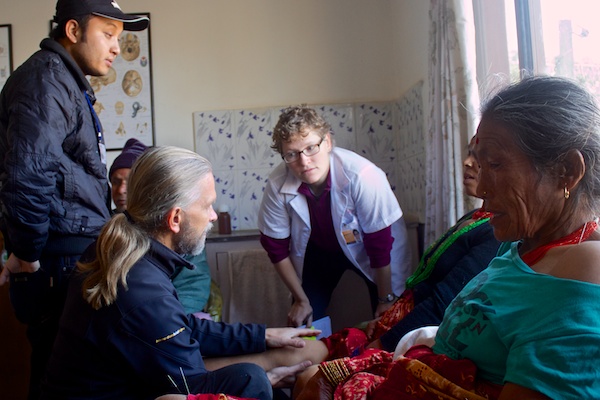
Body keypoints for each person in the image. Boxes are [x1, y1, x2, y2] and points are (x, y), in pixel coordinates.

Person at [295, 76, 600, 399]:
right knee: (309, 379)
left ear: (566, 170)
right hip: (421, 367)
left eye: (495, 164)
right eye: (481, 166)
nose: (481, 189)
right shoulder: (521, 245)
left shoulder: (584, 269)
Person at [41, 146, 318, 400]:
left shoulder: (119, 249)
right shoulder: (142, 290)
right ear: (175, 219)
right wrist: (264, 379)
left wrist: (263, 336)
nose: (212, 216)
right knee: (252, 378)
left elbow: (181, 326)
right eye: (207, 205)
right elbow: (191, 386)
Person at [0, 1, 148, 398]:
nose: (117, 46)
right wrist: (27, 254)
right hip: (55, 262)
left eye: (119, 37)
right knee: (59, 380)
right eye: (108, 34)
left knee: (68, 377)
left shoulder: (62, 82)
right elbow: (27, 175)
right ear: (72, 30)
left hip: (68, 256)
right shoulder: (46, 82)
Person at [258, 106, 413, 328]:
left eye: (311, 147)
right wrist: (301, 300)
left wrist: (385, 298)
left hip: (374, 252)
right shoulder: (277, 184)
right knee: (305, 322)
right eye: (292, 154)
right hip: (319, 253)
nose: (304, 161)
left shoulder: (362, 175)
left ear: (328, 142)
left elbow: (378, 243)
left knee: (387, 321)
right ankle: (313, 360)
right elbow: (275, 246)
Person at [109, 138, 214, 317]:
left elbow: (193, 284)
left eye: (128, 182)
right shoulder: (107, 231)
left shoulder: (185, 232)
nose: (121, 190)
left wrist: (171, 316)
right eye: (116, 182)